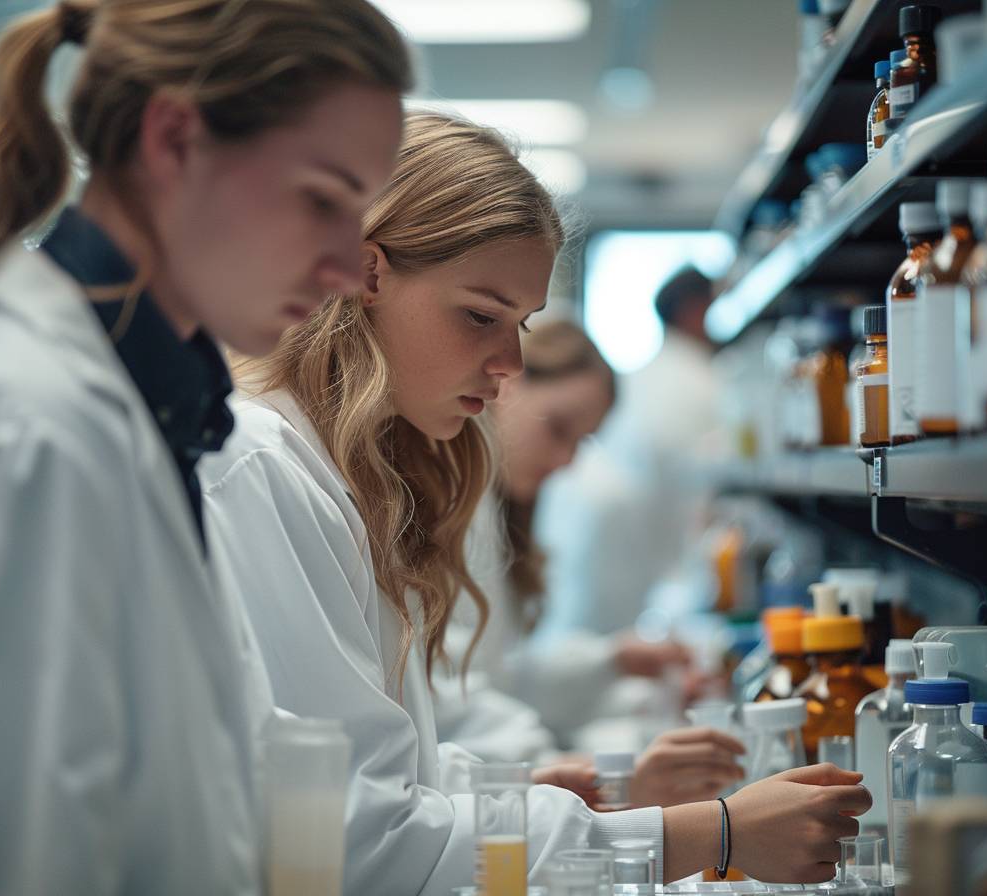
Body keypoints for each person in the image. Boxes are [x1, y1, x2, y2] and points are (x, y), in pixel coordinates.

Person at [0, 2, 409, 892]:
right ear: (174, 139)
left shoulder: (138, 415)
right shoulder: (31, 426)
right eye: (321, 199)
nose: (340, 265)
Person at [201, 111, 869, 892]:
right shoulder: (258, 469)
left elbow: (401, 768)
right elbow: (361, 840)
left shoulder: (343, 480)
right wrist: (704, 833)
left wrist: (559, 792)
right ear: (364, 272)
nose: (509, 362)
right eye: (481, 316)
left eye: (519, 324)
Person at [434, 319, 745, 809]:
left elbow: (500, 676)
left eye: (581, 442)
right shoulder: (446, 504)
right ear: (507, 384)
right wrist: (573, 768)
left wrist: (613, 662)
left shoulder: (493, 510)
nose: (566, 461)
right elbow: (446, 697)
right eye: (559, 429)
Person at [534, 266, 724, 652]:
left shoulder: (641, 377)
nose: (565, 462)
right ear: (696, 310)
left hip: (627, 576)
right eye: (557, 430)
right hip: (651, 572)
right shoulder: (706, 385)